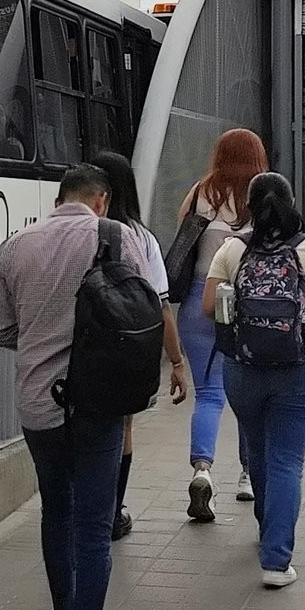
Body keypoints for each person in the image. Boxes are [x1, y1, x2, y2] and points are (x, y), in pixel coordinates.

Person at [0, 164, 153, 610]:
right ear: (101, 200)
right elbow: (140, 308)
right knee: (92, 527)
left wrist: (46, 338)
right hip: (98, 403)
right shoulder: (114, 237)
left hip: (39, 406)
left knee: (55, 514)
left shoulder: (17, 245)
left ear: (58, 197)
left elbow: (0, 329)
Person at [204, 173, 305, 588]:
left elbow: (209, 306)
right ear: (292, 200)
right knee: (286, 460)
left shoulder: (232, 249)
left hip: (242, 370)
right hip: (298, 371)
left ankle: (268, 528)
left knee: (258, 452)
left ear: (249, 204)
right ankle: (276, 559)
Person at [88, 150, 191, 541]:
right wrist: (176, 361)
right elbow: (161, 304)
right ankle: (113, 512)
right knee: (123, 426)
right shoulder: (141, 238)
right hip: (123, 347)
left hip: (80, 345)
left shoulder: (70, 230)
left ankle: (85, 507)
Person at [174, 127, 266, 521]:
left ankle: (203, 472)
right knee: (248, 394)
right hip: (248, 304)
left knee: (209, 395)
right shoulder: (263, 196)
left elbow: (181, 240)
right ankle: (248, 475)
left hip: (200, 300)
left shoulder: (199, 193)